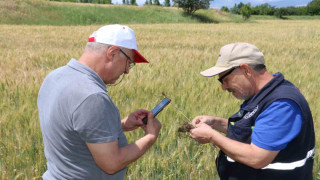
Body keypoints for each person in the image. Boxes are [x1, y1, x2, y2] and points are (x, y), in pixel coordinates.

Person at [37, 24, 162, 179]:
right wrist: (150, 136)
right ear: (113, 53)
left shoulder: (55, 77)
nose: (127, 71)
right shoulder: (92, 96)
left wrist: (122, 125)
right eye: (128, 62)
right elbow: (111, 164)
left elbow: (76, 130)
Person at [189, 42, 315, 180]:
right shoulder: (267, 94)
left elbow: (257, 158)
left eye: (224, 79)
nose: (223, 87)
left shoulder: (281, 104)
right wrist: (216, 123)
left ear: (246, 70)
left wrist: (212, 136)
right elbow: (261, 131)